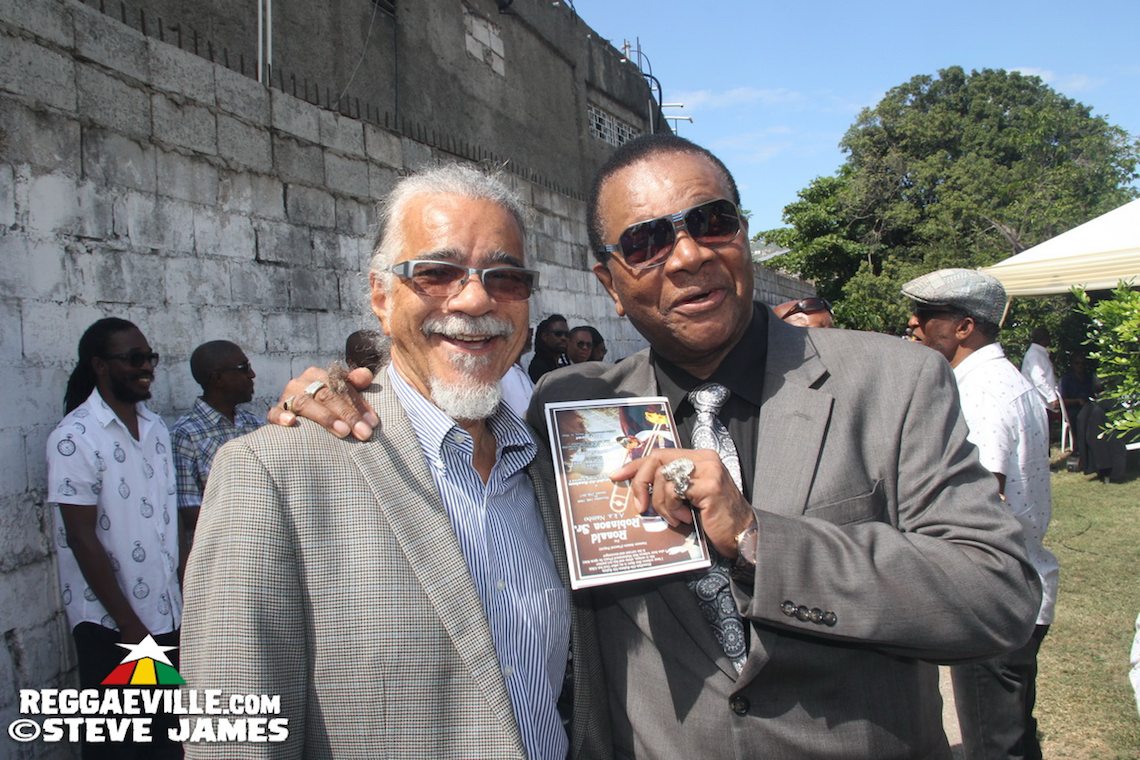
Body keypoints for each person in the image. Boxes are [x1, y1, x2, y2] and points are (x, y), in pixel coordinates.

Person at [278, 135, 1041, 758]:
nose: (686, 257)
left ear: (740, 233)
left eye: (710, 222)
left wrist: (756, 536)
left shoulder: (893, 382)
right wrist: (341, 398)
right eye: (645, 242)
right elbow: (437, 415)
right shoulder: (567, 409)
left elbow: (998, 595)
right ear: (609, 283)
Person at [180, 165, 610, 759]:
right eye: (437, 272)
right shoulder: (271, 474)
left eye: (505, 277)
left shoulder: (551, 463)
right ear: (380, 298)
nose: (476, 298)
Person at [903, 268, 1058, 760]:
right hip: (1018, 586)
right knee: (1010, 729)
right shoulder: (997, 379)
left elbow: (980, 499)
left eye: (926, 316)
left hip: (992, 595)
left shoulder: (984, 392)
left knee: (994, 745)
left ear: (964, 326)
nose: (913, 324)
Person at [46, 317, 182, 760]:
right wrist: (129, 626)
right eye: (134, 359)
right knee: (120, 745)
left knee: (167, 739)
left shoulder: (157, 429)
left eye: (150, 358)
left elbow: (166, 519)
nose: (146, 367)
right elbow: (81, 537)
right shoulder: (74, 437)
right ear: (100, 366)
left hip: (165, 613)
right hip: (114, 623)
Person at [170, 340, 261, 535]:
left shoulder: (254, 425)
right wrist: (244, 528)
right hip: (221, 551)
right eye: (244, 368)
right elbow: (188, 509)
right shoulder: (186, 434)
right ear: (217, 378)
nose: (251, 375)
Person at [1021, 327, 1060, 412]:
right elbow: (1038, 378)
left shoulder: (1040, 353)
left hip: (1043, 403)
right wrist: (1052, 397)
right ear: (1043, 338)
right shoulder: (1034, 354)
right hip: (1038, 404)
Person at [528, 313, 570, 381]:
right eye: (558, 334)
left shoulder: (562, 365)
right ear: (545, 336)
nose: (563, 338)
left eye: (567, 334)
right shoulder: (539, 367)